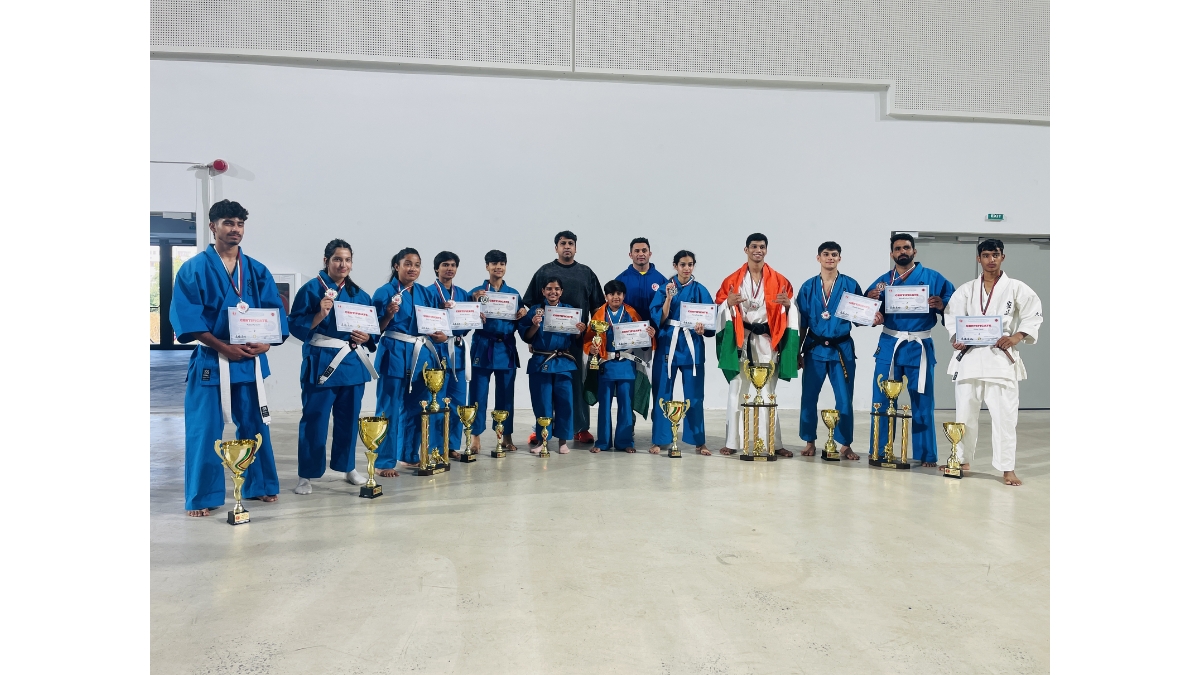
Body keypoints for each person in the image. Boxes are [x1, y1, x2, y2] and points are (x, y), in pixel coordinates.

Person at [170, 199, 287, 517]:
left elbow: (274, 313)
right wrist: (222, 347)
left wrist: (265, 345)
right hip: (212, 359)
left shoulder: (257, 270)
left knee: (256, 426)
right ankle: (202, 496)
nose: (235, 229)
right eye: (228, 223)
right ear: (213, 227)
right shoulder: (193, 269)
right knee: (204, 430)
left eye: (240, 223)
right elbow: (186, 317)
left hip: (248, 359)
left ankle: (260, 484)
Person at [944, 239, 1043, 486]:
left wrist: (1016, 337)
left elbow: (1033, 314)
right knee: (964, 415)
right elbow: (952, 316)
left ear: (1002, 257)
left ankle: (1007, 468)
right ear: (978, 258)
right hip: (970, 359)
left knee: (1005, 418)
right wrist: (957, 338)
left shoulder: (1016, 288)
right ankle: (962, 460)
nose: (991, 259)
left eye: (995, 255)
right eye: (986, 255)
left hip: (1000, 360)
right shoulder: (966, 290)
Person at [287, 239, 377, 494]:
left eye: (347, 260)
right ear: (326, 261)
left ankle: (348, 467)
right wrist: (319, 314)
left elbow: (372, 329)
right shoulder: (310, 290)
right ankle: (306, 474)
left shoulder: (360, 294)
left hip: (352, 364)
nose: (343, 264)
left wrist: (367, 337)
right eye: (338, 259)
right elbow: (295, 325)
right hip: (322, 362)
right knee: (314, 419)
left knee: (349, 419)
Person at [865, 233, 956, 467]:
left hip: (919, 346)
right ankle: (879, 450)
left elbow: (955, 303)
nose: (902, 252)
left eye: (906, 247)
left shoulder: (933, 278)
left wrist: (942, 305)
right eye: (897, 248)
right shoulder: (884, 281)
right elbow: (866, 310)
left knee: (922, 401)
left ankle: (926, 454)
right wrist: (871, 306)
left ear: (914, 251)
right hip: (890, 344)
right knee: (881, 400)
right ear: (892, 254)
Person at [714, 233, 798, 456]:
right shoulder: (732, 280)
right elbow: (718, 306)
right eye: (753, 246)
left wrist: (788, 306)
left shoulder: (780, 280)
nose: (758, 250)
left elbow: (791, 312)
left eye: (762, 246)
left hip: (767, 340)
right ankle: (732, 442)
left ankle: (773, 443)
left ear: (766, 250)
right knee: (737, 389)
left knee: (769, 391)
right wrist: (726, 304)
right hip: (740, 339)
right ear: (746, 250)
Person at [522, 231, 604, 445]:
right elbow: (530, 304)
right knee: (544, 389)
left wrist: (594, 336)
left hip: (576, 338)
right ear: (556, 248)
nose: (567, 247)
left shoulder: (586, 273)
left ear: (576, 247)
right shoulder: (544, 271)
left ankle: (580, 428)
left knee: (575, 385)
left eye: (570, 243)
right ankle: (541, 428)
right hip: (547, 343)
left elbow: (597, 307)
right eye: (562, 243)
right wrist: (533, 337)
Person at [371, 248, 447, 476]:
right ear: (397, 266)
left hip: (421, 354)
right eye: (407, 264)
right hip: (394, 352)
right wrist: (388, 315)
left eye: (417, 264)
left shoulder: (426, 293)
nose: (412, 268)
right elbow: (373, 329)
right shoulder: (384, 292)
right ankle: (384, 461)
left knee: (417, 407)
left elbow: (437, 325)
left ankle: (408, 454)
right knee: (389, 408)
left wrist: (442, 336)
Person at [793, 242, 864, 460]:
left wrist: (872, 314)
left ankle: (845, 444)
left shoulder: (850, 285)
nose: (830, 258)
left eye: (834, 254)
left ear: (839, 258)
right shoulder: (808, 287)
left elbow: (861, 318)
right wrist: (797, 351)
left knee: (844, 398)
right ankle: (809, 441)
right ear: (818, 258)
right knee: (809, 397)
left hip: (841, 349)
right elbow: (802, 323)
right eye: (826, 254)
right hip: (814, 349)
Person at [648, 250, 714, 454]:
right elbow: (658, 319)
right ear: (675, 266)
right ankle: (659, 439)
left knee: (695, 395)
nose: (687, 268)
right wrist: (668, 298)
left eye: (690, 264)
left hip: (692, 345)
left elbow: (710, 320)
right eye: (683, 264)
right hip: (668, 343)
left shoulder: (700, 289)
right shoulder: (664, 289)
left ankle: (699, 440)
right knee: (662, 392)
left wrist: (703, 329)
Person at [582, 280, 655, 453]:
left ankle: (625, 441)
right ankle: (603, 442)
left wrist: (649, 336)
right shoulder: (599, 315)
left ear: (624, 295)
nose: (616, 297)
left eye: (619, 294)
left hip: (626, 365)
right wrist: (591, 348)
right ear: (606, 296)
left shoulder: (631, 313)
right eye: (612, 294)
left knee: (626, 405)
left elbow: (643, 341)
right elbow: (588, 339)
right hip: (605, 364)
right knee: (604, 405)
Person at [467, 250, 528, 452]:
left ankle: (505, 435)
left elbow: (522, 323)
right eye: (494, 264)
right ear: (487, 267)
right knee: (478, 394)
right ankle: (475, 436)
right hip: (483, 346)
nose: (498, 267)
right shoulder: (477, 292)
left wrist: (523, 313)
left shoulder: (513, 294)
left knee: (506, 394)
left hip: (506, 347)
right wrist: (473, 303)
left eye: (502, 263)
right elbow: (464, 319)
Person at [518, 277, 587, 454]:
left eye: (556, 289)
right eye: (549, 289)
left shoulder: (570, 311)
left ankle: (563, 441)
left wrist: (579, 331)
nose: (553, 292)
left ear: (561, 292)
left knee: (565, 402)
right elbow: (526, 336)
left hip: (563, 362)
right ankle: (542, 440)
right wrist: (534, 325)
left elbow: (576, 338)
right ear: (543, 291)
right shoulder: (535, 310)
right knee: (542, 403)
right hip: (541, 361)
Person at [428, 251, 473, 458]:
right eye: (445, 265)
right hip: (436, 351)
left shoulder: (462, 294)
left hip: (458, 351)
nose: (449, 268)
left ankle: (452, 446)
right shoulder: (427, 292)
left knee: (457, 401)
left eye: (453, 265)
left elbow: (466, 326)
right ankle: (435, 447)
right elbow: (423, 321)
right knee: (436, 401)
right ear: (436, 268)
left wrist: (476, 319)